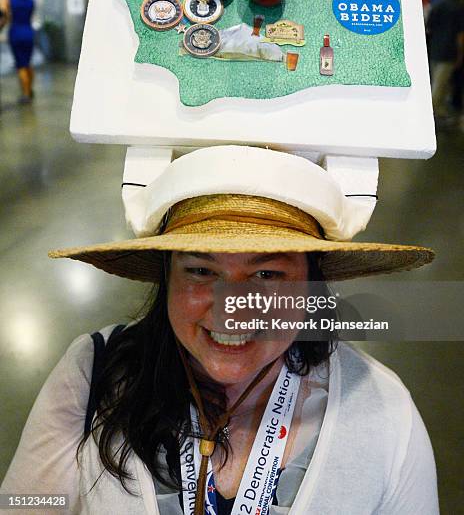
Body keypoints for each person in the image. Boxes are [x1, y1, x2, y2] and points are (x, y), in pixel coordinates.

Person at [1, 146, 439, 514]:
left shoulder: (382, 410)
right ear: (166, 279)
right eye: (200, 270)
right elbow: (26, 503)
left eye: (267, 274)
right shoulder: (95, 371)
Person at [427, 0, 464, 126]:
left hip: (434, 48)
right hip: (449, 51)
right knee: (440, 85)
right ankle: (430, 118)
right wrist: (460, 54)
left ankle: (438, 112)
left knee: (435, 82)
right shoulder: (459, 7)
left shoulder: (438, 3)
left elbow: (429, 27)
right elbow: (460, 34)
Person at [0, 0, 35, 103]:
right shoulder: (30, 0)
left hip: (16, 33)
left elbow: (4, 16)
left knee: (21, 65)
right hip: (28, 32)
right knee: (28, 63)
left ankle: (26, 94)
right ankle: (30, 89)